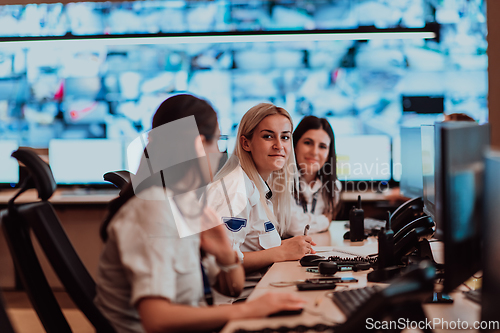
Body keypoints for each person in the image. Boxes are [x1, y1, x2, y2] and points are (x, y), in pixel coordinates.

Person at [94, 95, 305, 333]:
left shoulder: (187, 205)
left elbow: (232, 288)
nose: (219, 152)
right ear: (199, 145)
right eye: (217, 142)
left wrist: (225, 255)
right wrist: (250, 309)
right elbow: (157, 319)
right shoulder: (152, 209)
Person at [206, 103, 316, 275]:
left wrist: (283, 246)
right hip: (240, 299)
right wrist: (280, 252)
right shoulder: (236, 189)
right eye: (268, 136)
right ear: (246, 143)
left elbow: (249, 247)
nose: (279, 145)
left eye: (285, 137)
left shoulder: (257, 186)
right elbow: (222, 263)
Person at [286, 116, 341, 236]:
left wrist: (303, 221)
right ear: (295, 146)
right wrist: (325, 221)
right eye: (308, 143)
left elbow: (298, 226)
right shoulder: (280, 181)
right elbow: (293, 227)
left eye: (322, 146)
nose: (314, 152)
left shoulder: (334, 186)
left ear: (328, 154)